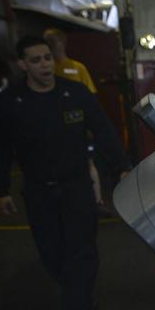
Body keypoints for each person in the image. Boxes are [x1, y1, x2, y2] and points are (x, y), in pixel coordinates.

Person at [0, 35, 130, 310]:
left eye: (47, 58)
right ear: (23, 65)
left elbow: (103, 131)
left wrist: (121, 166)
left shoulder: (74, 93)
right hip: (39, 191)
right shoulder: (11, 103)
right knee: (52, 254)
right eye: (36, 60)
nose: (44, 65)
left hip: (76, 187)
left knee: (81, 251)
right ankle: (78, 295)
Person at [42, 28, 107, 213]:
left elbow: (91, 98)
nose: (53, 46)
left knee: (88, 163)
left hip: (77, 126)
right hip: (53, 128)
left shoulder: (77, 68)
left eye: (55, 41)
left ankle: (97, 201)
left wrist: (90, 125)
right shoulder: (48, 70)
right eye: (49, 42)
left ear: (63, 43)